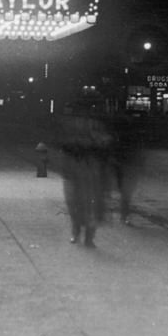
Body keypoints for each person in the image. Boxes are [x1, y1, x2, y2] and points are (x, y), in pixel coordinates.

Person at [51, 102, 113, 247]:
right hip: (78, 170)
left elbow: (105, 145)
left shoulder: (95, 127)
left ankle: (85, 235)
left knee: (83, 203)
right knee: (78, 203)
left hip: (89, 170)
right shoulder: (73, 126)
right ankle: (81, 233)